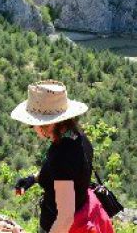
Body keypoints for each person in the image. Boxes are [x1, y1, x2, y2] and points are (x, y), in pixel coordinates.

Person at [10, 80, 114, 233]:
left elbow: (65, 218)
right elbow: (66, 176)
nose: (32, 129)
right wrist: (33, 179)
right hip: (85, 209)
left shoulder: (61, 157)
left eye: (32, 125)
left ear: (46, 124)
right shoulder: (77, 136)